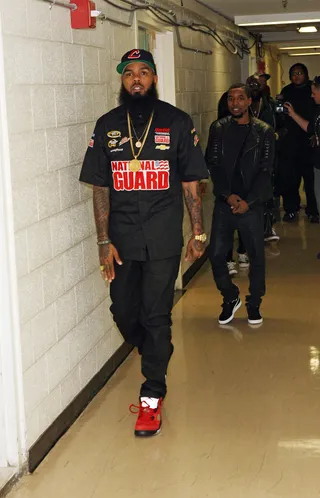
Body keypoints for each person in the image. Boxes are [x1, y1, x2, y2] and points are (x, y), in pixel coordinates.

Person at [79, 49, 208, 437]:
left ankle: (152, 396)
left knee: (157, 315)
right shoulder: (107, 126)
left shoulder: (176, 121)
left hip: (164, 237)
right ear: (122, 81)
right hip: (121, 239)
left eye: (144, 73)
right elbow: (100, 187)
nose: (136, 79)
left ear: (154, 79)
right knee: (122, 310)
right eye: (129, 74)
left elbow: (190, 184)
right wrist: (103, 240)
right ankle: (154, 348)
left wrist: (198, 233)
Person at [206, 83, 275, 325]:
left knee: (256, 257)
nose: (235, 103)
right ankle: (230, 296)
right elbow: (213, 164)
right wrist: (227, 195)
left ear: (248, 102)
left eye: (240, 98)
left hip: (251, 205)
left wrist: (249, 200)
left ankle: (254, 302)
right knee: (215, 254)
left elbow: (266, 170)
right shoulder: (218, 129)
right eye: (231, 99)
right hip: (225, 203)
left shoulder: (263, 131)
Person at [279, 63, 319, 223]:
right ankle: (291, 209)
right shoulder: (287, 91)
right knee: (290, 178)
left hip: (310, 142)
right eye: (293, 73)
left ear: (306, 74)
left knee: (311, 180)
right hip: (291, 141)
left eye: (300, 73)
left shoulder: (313, 90)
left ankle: (313, 211)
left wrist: (315, 133)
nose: (296, 76)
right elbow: (281, 114)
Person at [284, 75, 320, 253]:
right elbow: (309, 128)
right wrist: (292, 114)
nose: (312, 96)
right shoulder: (318, 112)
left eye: (314, 92)